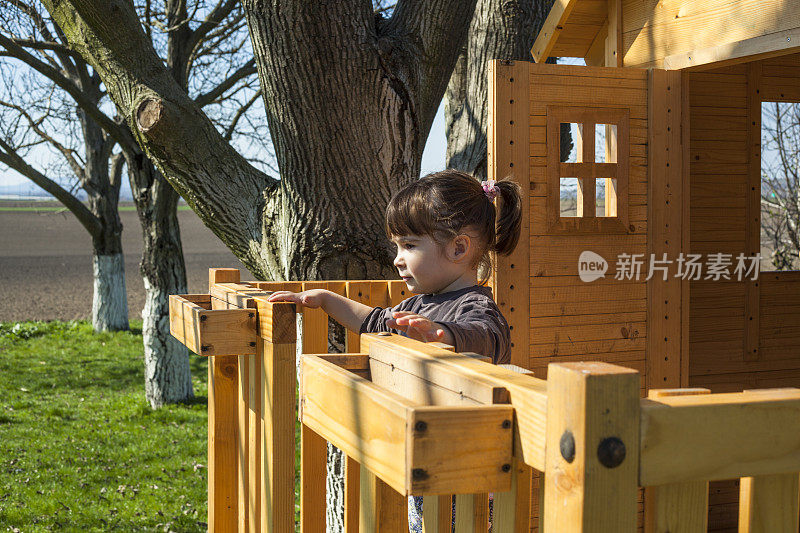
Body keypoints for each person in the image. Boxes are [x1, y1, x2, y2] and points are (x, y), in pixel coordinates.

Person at [267, 168, 522, 529]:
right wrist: (326, 300)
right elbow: (373, 321)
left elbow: (483, 337)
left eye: (410, 245)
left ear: (458, 247)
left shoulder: (475, 308)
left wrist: (440, 335)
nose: (397, 258)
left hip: (471, 478)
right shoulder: (418, 306)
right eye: (397, 246)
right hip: (429, 460)